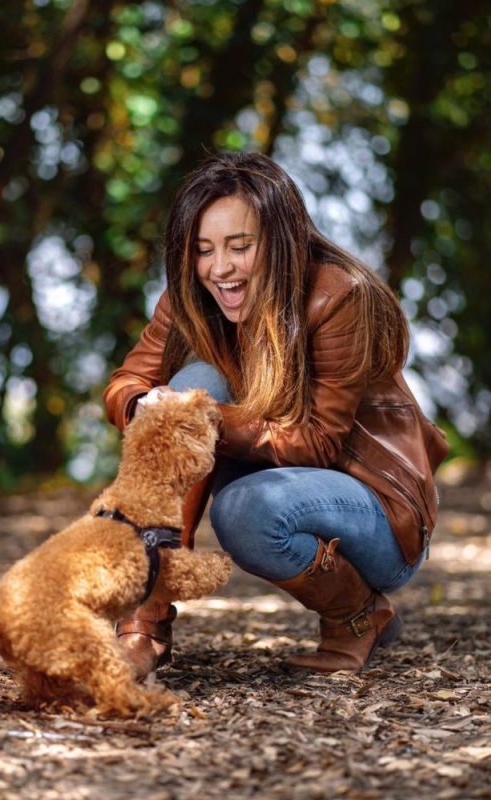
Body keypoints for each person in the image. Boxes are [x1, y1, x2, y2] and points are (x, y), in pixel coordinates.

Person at [103, 151, 448, 679]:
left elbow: (318, 444)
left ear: (282, 242)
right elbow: (124, 383)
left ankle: (359, 617)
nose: (220, 268)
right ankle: (145, 618)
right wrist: (143, 404)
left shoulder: (337, 297)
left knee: (243, 504)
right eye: (203, 250)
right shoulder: (191, 297)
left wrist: (204, 418)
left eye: (240, 246)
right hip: (274, 469)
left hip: (373, 510)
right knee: (195, 384)